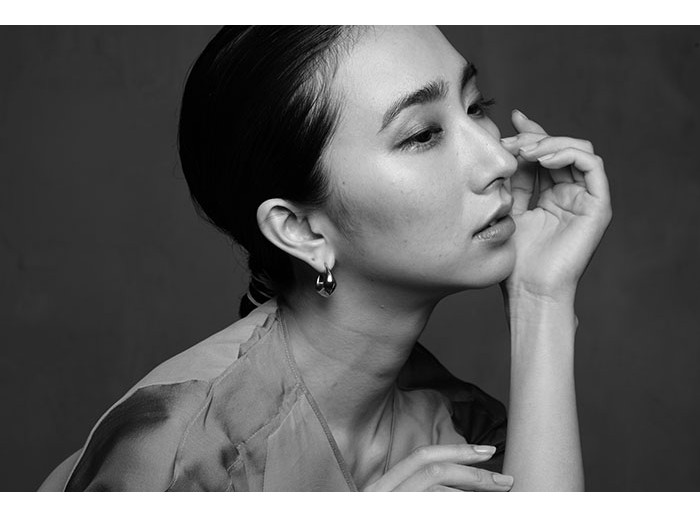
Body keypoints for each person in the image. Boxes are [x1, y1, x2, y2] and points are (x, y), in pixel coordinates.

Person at [39, 25, 611, 491]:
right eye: (422, 135)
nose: (500, 161)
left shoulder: (462, 427)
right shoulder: (180, 452)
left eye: (476, 105)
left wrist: (541, 301)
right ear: (301, 229)